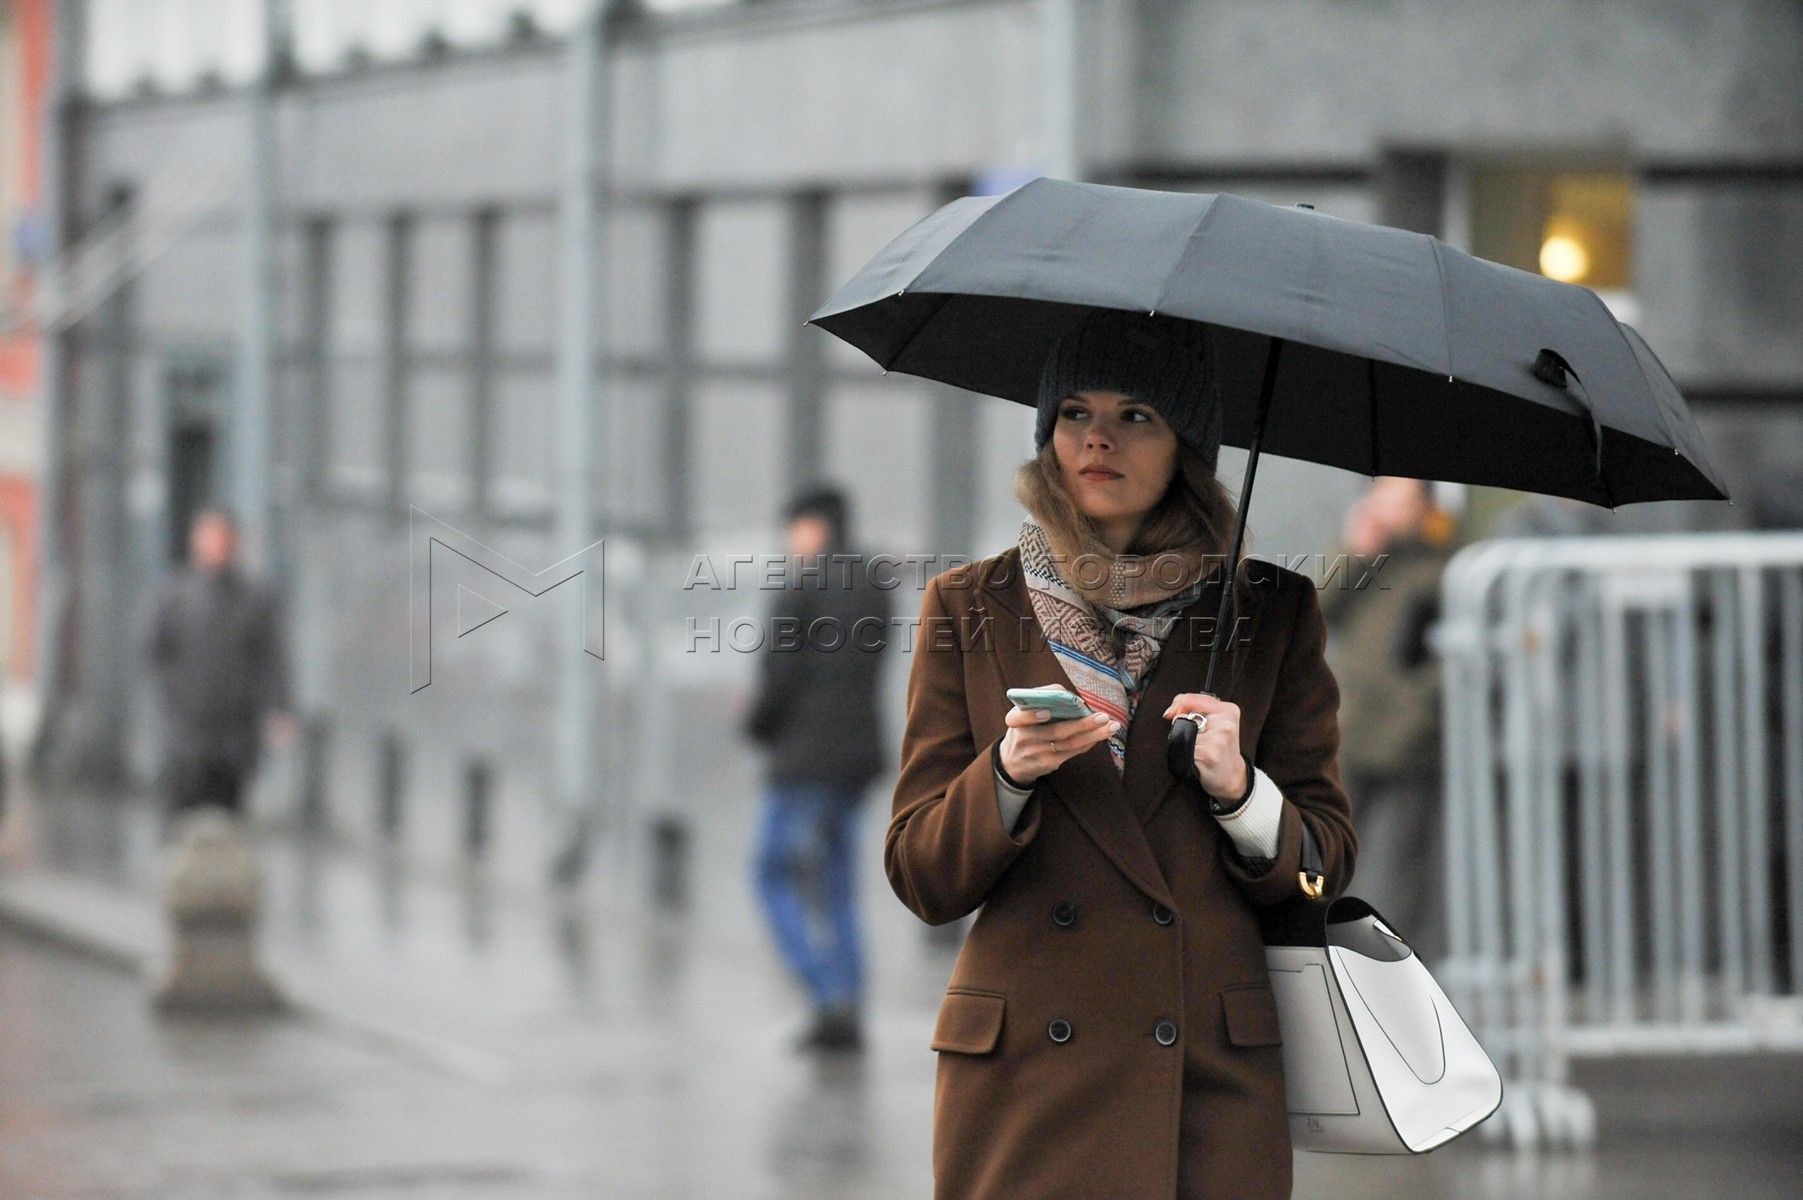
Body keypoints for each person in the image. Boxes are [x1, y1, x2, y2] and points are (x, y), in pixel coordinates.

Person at [887, 309, 1355, 1200]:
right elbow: (919, 874)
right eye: (1073, 411)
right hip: (1026, 1084)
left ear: (1187, 443)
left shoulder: (1272, 611)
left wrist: (1241, 794)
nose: (1096, 438)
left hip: (1205, 1088)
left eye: (1136, 414)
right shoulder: (968, 604)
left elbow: (1322, 868)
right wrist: (1007, 776)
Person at [742, 485, 893, 1052]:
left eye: (795, 527)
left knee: (773, 875)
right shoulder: (874, 584)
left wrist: (757, 729)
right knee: (836, 885)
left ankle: (828, 997)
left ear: (816, 525)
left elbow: (777, 675)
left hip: (803, 761)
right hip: (856, 761)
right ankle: (850, 1002)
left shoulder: (803, 583)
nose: (790, 540)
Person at [1317, 475, 1456, 962]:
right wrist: (1357, 548)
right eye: (1383, 491)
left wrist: (1421, 710)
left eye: (1401, 493)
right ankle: (1323, 951)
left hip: (1411, 740)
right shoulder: (1369, 556)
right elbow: (1319, 606)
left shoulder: (1442, 560)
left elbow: (1447, 653)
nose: (1389, 503)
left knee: (1400, 861)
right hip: (1355, 730)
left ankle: (1395, 961)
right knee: (1330, 848)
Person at [143, 510, 293, 819]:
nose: (217, 547)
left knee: (227, 817)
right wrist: (175, 697)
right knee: (183, 817)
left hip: (236, 734)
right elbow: (154, 653)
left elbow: (272, 657)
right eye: (210, 539)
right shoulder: (174, 596)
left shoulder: (255, 598)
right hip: (187, 731)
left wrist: (279, 708)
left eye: (223, 540)